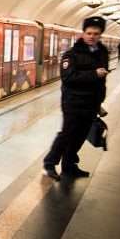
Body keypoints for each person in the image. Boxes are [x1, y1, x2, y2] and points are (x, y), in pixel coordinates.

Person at [43, 16, 109, 180]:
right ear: (83, 34)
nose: (92, 36)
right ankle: (49, 164)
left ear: (100, 35)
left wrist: (99, 103)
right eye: (89, 33)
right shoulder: (71, 54)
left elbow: (101, 82)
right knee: (67, 134)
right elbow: (68, 77)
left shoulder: (102, 53)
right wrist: (94, 73)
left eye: (96, 33)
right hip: (73, 102)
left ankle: (69, 166)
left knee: (80, 136)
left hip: (91, 104)